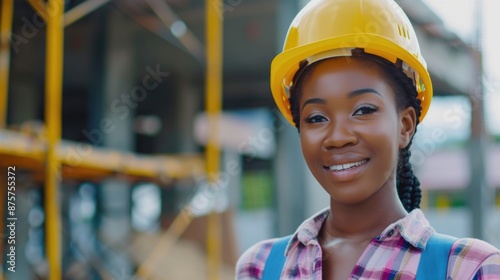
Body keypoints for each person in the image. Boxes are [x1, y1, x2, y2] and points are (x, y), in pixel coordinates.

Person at [235, 0, 500, 279]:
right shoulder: (260, 267)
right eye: (316, 118)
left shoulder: (470, 269)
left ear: (405, 126)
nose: (338, 137)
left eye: (363, 110)